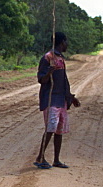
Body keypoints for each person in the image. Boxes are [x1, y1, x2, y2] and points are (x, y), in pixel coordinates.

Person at [34, 32, 81, 169]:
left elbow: (63, 80)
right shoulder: (48, 58)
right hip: (50, 99)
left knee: (59, 130)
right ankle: (40, 157)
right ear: (62, 42)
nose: (67, 44)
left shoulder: (60, 58)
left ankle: (56, 159)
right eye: (66, 41)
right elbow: (42, 80)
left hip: (61, 100)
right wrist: (49, 72)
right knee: (51, 127)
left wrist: (70, 97)